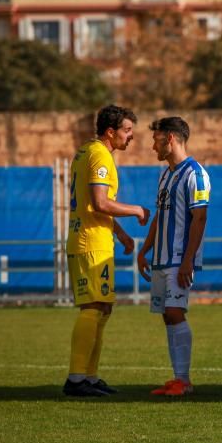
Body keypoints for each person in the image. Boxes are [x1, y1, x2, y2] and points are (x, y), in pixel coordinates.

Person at [63, 105, 149, 397]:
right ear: (110, 132)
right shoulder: (100, 155)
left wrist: (121, 235)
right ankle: (76, 380)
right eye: (127, 131)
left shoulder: (86, 151)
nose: (131, 137)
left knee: (103, 307)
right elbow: (100, 203)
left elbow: (94, 205)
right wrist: (135, 209)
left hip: (95, 238)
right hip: (90, 242)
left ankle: (89, 376)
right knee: (93, 307)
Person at [137, 117, 210, 397]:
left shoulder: (196, 174)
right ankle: (178, 378)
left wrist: (188, 259)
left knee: (176, 312)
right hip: (161, 259)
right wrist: (145, 251)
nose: (152, 145)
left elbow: (200, 218)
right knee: (167, 316)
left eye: (156, 139)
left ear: (170, 138)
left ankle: (185, 380)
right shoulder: (166, 174)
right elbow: (160, 216)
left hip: (179, 258)